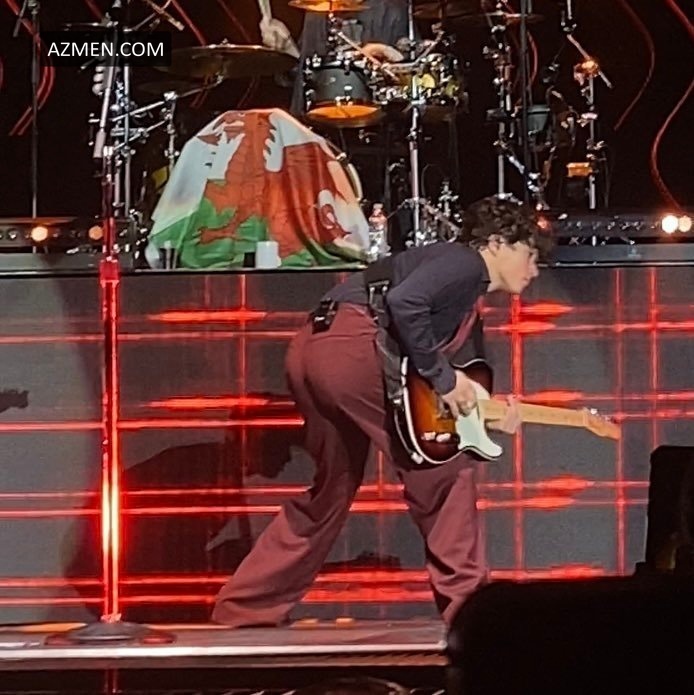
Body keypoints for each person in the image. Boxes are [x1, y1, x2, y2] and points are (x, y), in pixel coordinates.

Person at [212, 195, 553, 627]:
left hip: (314, 349)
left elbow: (461, 380)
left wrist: (491, 412)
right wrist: (445, 379)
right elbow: (406, 303)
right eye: (530, 255)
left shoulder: (464, 299)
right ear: (498, 243)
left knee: (331, 490)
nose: (534, 270)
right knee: (445, 475)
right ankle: (472, 614)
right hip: (353, 347)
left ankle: (245, 607)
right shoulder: (464, 263)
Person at [256, 0, 408, 115]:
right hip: (318, 126)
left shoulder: (393, 10)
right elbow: (306, 77)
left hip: (375, 127)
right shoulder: (317, 12)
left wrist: (385, 53)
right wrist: (287, 47)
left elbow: (414, 78)